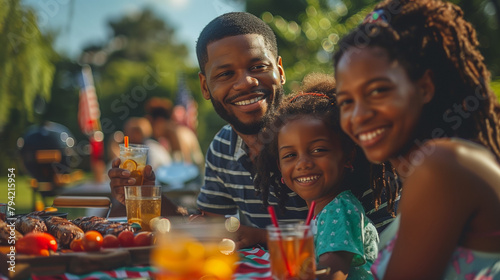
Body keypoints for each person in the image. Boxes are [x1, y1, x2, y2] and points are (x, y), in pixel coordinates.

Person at [109, 12, 309, 248]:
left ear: (280, 71)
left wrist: (261, 237)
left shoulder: (314, 136)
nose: (245, 82)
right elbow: (206, 227)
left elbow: (349, 232)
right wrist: (150, 195)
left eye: (258, 66)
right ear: (205, 86)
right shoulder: (223, 147)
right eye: (225, 74)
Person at [333, 0, 500, 278]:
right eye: (346, 101)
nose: (358, 115)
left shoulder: (440, 165)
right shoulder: (430, 169)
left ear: (424, 87)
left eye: (377, 91)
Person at [255, 73, 379, 279]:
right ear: (280, 169)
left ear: (348, 156)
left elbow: (333, 273)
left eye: (318, 150)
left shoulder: (340, 210)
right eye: (290, 155)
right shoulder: (324, 212)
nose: (303, 163)